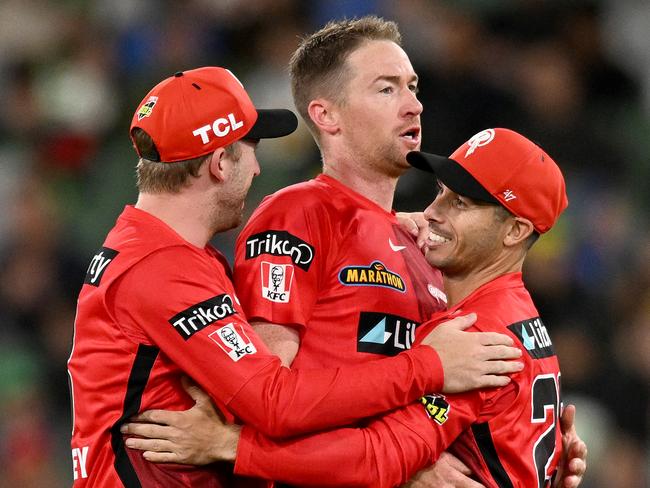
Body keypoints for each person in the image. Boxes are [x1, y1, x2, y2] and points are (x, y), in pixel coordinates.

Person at [121, 17, 586, 487]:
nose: (413, 105)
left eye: (413, 86)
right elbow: (263, 402)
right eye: (386, 90)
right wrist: (404, 465)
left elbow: (436, 403)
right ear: (327, 116)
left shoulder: (426, 246)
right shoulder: (299, 214)